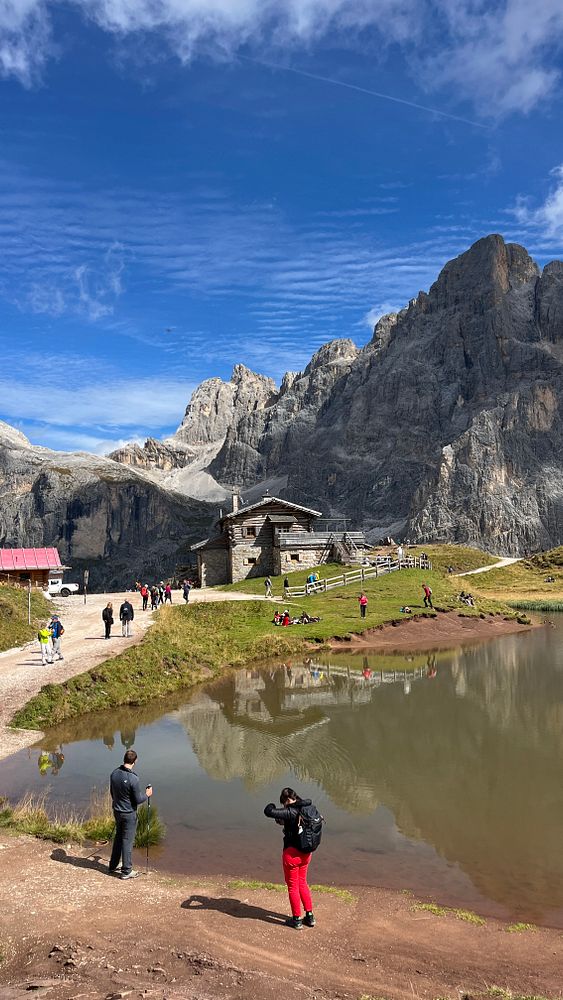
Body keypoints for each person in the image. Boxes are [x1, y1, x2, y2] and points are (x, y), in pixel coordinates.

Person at [264, 787, 316, 930]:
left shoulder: (291, 811)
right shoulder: (307, 808)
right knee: (303, 883)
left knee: (293, 886)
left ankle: (296, 919)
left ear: (287, 800)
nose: (284, 806)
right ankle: (310, 916)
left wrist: (273, 805)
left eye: (284, 803)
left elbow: (268, 811)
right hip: (306, 853)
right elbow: (286, 821)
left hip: (292, 855)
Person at [109, 749, 153, 880]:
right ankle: (126, 871)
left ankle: (113, 865)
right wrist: (147, 794)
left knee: (118, 838)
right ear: (135, 761)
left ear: (124, 759)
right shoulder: (133, 778)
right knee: (127, 841)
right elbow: (138, 800)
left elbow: (112, 793)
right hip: (129, 814)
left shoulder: (114, 773)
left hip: (117, 811)